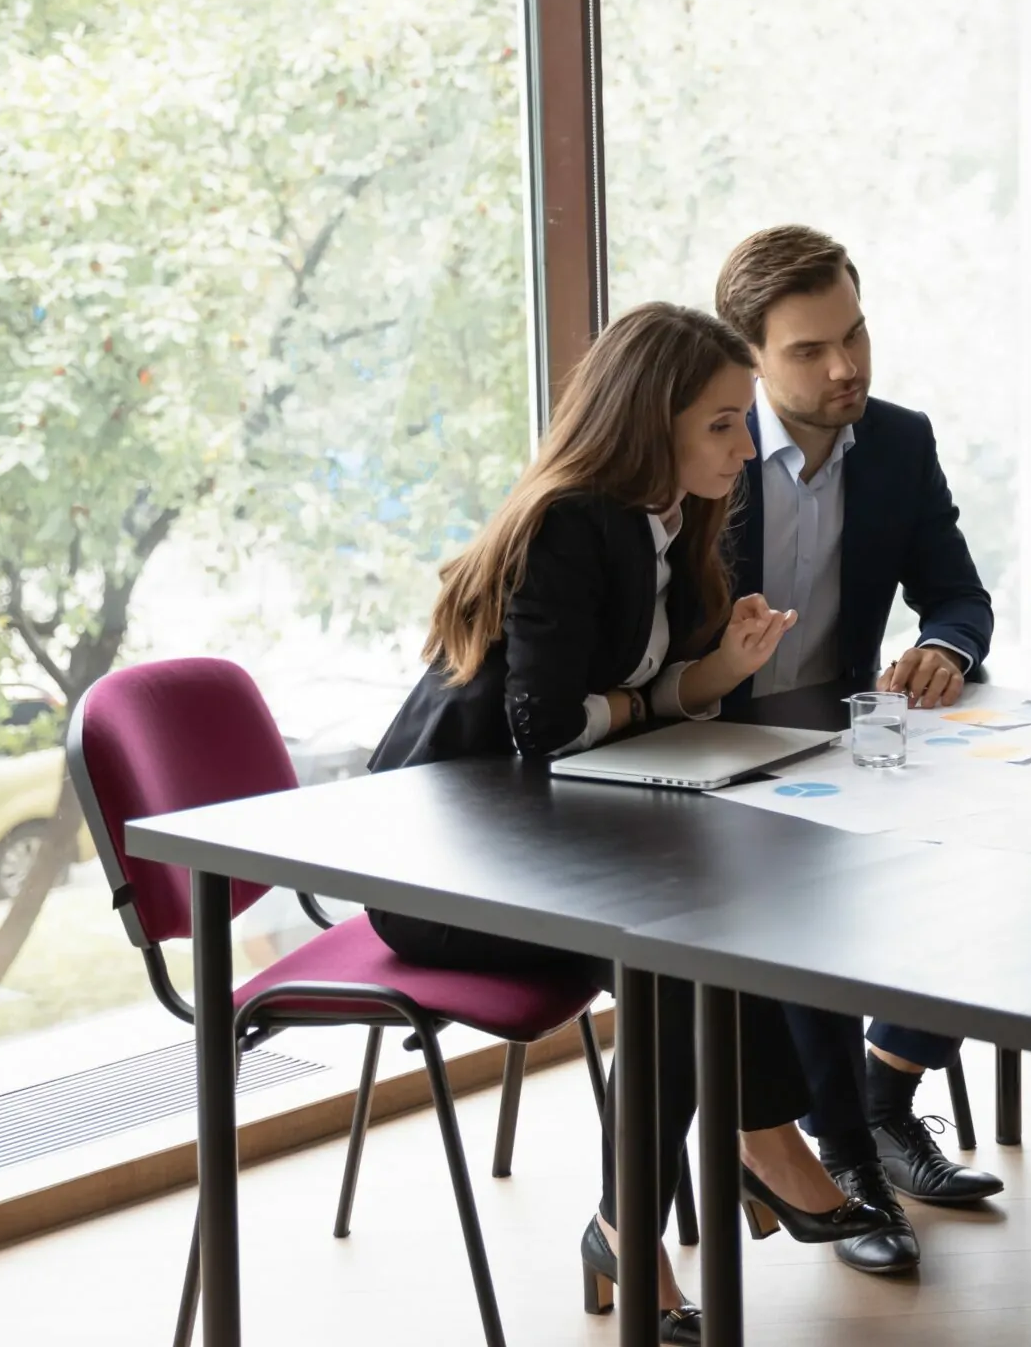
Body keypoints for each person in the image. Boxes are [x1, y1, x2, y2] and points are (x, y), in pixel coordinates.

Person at [366, 303, 885, 1344]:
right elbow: (544, 728)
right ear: (652, 425)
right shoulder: (570, 522)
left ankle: (645, 1214)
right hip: (442, 867)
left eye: (744, 423)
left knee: (701, 923)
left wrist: (718, 673)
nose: (746, 448)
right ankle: (753, 1148)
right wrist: (659, 701)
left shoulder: (672, 518)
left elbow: (620, 701)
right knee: (672, 947)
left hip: (544, 837)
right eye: (723, 426)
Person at [711, 225, 1002, 1276]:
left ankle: (883, 1099)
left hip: (842, 737)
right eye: (808, 350)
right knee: (811, 903)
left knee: (1000, 859)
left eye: (856, 334)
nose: (846, 368)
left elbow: (961, 593)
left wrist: (942, 644)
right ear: (747, 357)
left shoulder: (898, 440)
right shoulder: (705, 444)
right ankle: (848, 1162)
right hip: (708, 755)